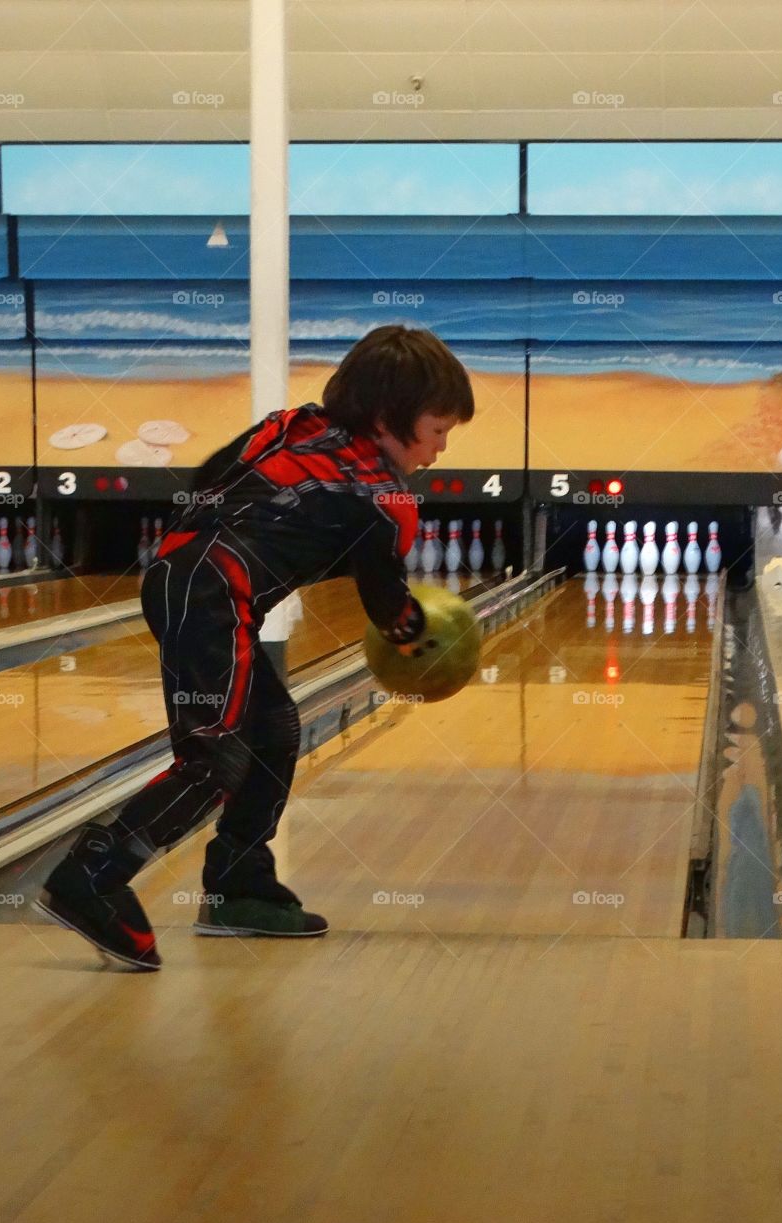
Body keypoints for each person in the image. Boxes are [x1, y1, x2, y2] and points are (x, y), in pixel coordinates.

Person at [34, 325, 475, 970]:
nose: (440, 450)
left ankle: (239, 887)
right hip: (215, 598)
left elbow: (208, 480)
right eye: (437, 430)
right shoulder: (384, 497)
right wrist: (422, 641)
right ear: (388, 419)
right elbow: (388, 605)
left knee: (272, 730)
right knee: (213, 759)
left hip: (178, 574)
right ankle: (92, 876)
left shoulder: (290, 425)